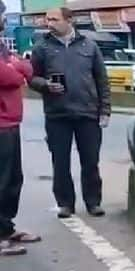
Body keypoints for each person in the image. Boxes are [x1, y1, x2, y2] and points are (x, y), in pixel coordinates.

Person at [29, 7, 111, 219]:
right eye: (47, 19)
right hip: (58, 115)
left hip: (88, 113)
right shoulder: (42, 47)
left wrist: (105, 110)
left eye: (54, 19)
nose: (49, 23)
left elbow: (102, 80)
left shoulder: (89, 46)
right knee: (60, 161)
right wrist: (45, 85)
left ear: (69, 20)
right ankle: (65, 203)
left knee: (91, 161)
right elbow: (31, 78)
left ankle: (93, 202)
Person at [0, 0, 42, 256]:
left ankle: (6, 228)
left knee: (13, 179)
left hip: (11, 122)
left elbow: (24, 68)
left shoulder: (2, 46)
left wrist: (16, 66)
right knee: (1, 181)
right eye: (1, 15)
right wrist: (16, 68)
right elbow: (10, 76)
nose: (4, 19)